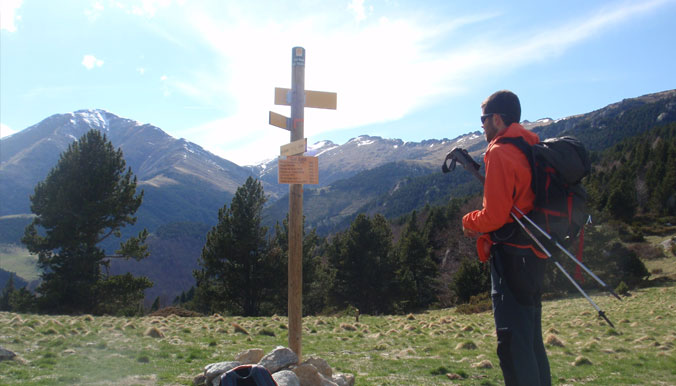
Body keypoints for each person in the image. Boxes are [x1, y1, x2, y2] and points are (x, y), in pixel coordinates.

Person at [461, 90, 551, 386]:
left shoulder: (499, 152)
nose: (482, 126)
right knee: (532, 342)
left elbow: (495, 216)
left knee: (513, 344)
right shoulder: (528, 146)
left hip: (511, 260)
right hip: (534, 256)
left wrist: (469, 221)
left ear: (497, 119)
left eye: (484, 120)